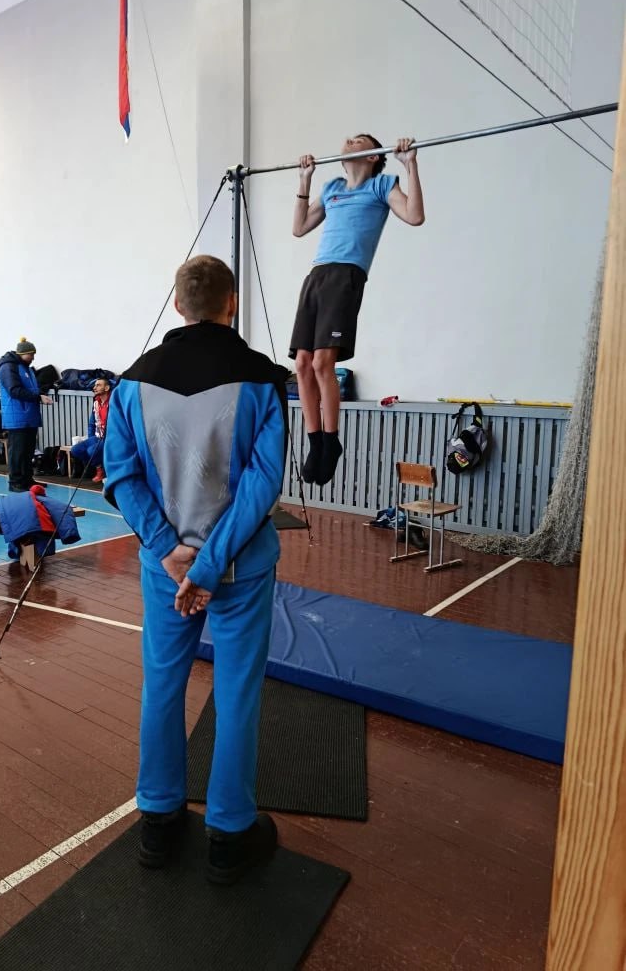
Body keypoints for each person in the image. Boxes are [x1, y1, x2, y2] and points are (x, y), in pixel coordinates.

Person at [104, 254, 288, 884]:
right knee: (236, 690)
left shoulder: (131, 383)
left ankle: (158, 821)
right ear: (231, 304)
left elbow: (121, 477)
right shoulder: (263, 380)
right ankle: (229, 834)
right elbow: (264, 483)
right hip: (239, 570)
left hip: (166, 569)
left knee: (162, 683)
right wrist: (209, 565)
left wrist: (169, 550)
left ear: (178, 305)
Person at [290, 133, 425, 485]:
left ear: (372, 156)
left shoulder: (381, 185)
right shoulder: (332, 188)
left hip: (346, 276)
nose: (349, 140)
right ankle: (315, 441)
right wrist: (304, 181)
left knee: (323, 363)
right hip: (317, 275)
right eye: (349, 138)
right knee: (302, 363)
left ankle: (331, 440)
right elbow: (299, 228)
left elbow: (414, 216)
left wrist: (410, 165)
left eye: (359, 140)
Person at [0, 337, 53, 492]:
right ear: (22, 353)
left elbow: (31, 388)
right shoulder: (8, 367)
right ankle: (15, 482)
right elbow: (14, 390)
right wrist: (38, 397)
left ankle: (27, 479)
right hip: (17, 416)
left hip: (28, 415)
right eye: (31, 354)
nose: (33, 357)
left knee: (28, 450)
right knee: (18, 451)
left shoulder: (25, 367)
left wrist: (40, 393)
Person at [71, 378, 111, 484]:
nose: (94, 387)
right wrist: (90, 439)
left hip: (110, 438)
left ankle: (103, 470)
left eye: (98, 385)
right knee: (75, 450)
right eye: (95, 385)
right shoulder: (96, 403)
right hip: (97, 437)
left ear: (107, 388)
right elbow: (91, 424)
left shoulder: (113, 403)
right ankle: (98, 466)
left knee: (91, 451)